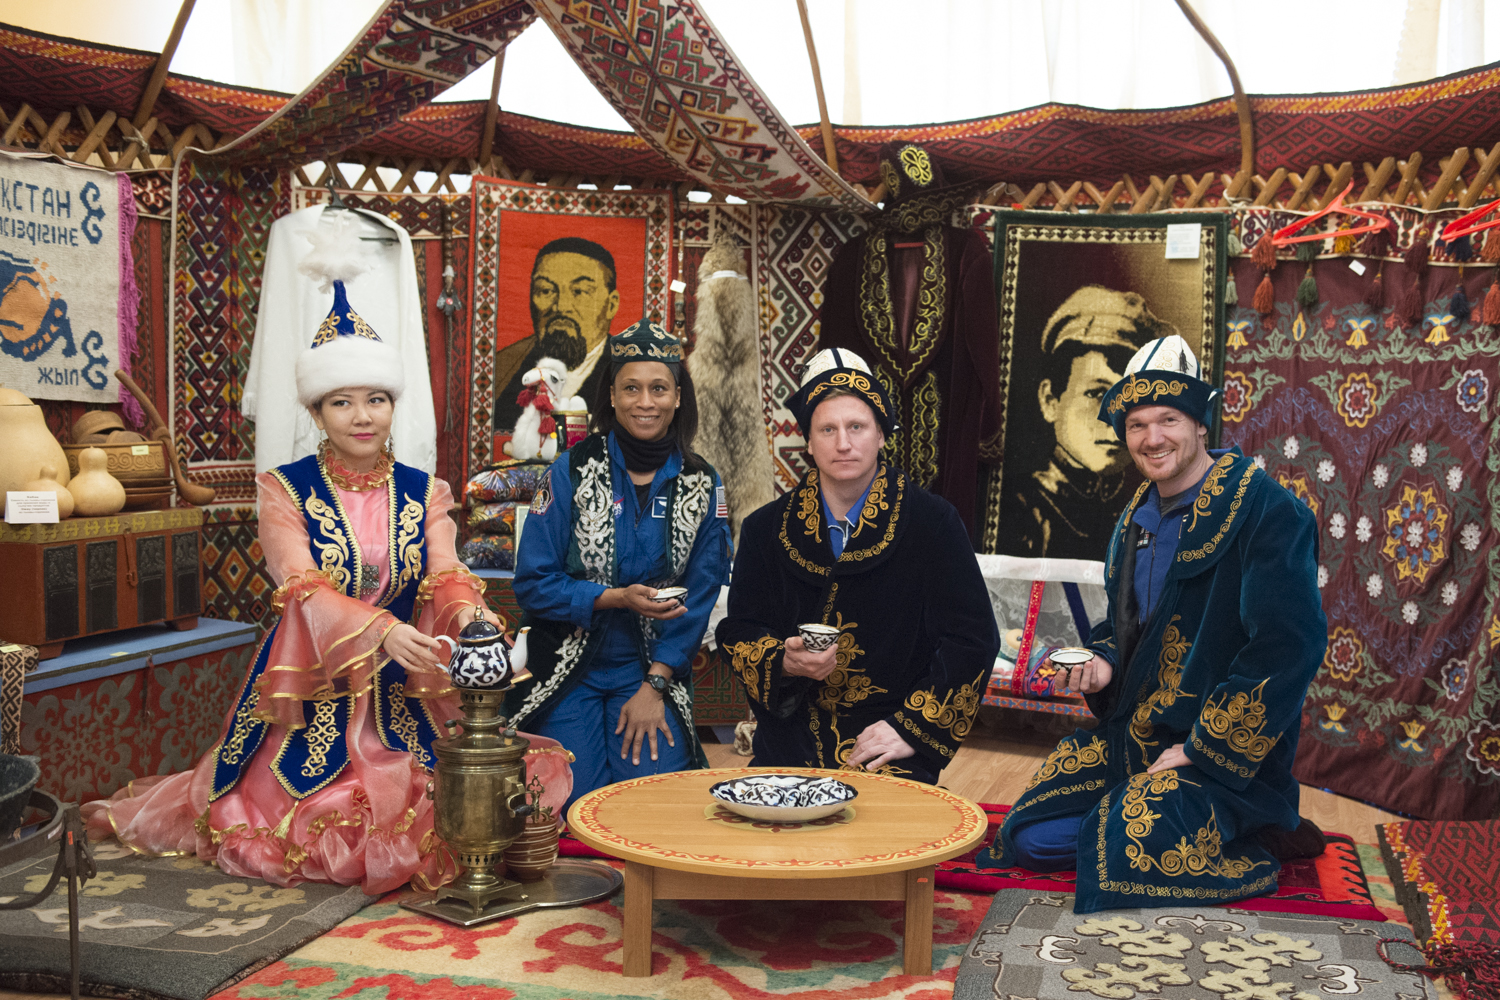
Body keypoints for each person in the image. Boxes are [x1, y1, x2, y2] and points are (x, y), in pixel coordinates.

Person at [83, 277, 571, 894]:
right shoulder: (282, 489)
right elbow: (302, 585)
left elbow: (446, 575)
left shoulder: (428, 490)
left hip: (403, 680)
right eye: (341, 402)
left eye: (376, 399)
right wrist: (384, 630)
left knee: (457, 785)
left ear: (395, 405)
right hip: (311, 675)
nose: (362, 416)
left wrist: (471, 620)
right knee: (303, 809)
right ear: (315, 412)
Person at [976, 334, 1328, 913]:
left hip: (1222, 755)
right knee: (1028, 836)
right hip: (1134, 736)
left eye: (1169, 419)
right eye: (1137, 424)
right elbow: (1127, 629)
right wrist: (1101, 663)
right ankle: (1135, 812)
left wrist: (1203, 747)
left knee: (1123, 847)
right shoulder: (1134, 518)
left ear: (1199, 424)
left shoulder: (1269, 512)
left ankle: (1261, 825)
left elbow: (1289, 647)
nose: (1153, 437)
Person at [716, 348, 999, 783]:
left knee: (870, 846)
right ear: (808, 442)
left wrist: (913, 730)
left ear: (882, 435)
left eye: (857, 427)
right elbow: (739, 631)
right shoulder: (764, 529)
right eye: (827, 429)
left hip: (886, 740)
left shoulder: (932, 522)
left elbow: (970, 640)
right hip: (790, 738)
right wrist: (783, 662)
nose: (843, 443)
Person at [506, 319, 731, 809]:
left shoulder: (702, 481)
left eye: (658, 389)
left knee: (650, 805)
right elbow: (533, 582)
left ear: (677, 396)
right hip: (570, 665)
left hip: (651, 667)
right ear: (611, 394)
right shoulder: (569, 470)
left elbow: (702, 590)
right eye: (631, 388)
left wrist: (656, 684)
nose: (645, 402)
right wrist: (611, 597)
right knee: (573, 803)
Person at [998, 286, 1165, 560]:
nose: (1117, 420)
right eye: (1098, 394)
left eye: (1131, 399)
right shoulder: (1021, 513)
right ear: (1050, 401)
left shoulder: (1146, 513)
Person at [493, 237, 621, 430]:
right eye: (546, 290)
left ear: (611, 305)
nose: (561, 307)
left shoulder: (628, 369)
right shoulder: (503, 368)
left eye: (581, 291)